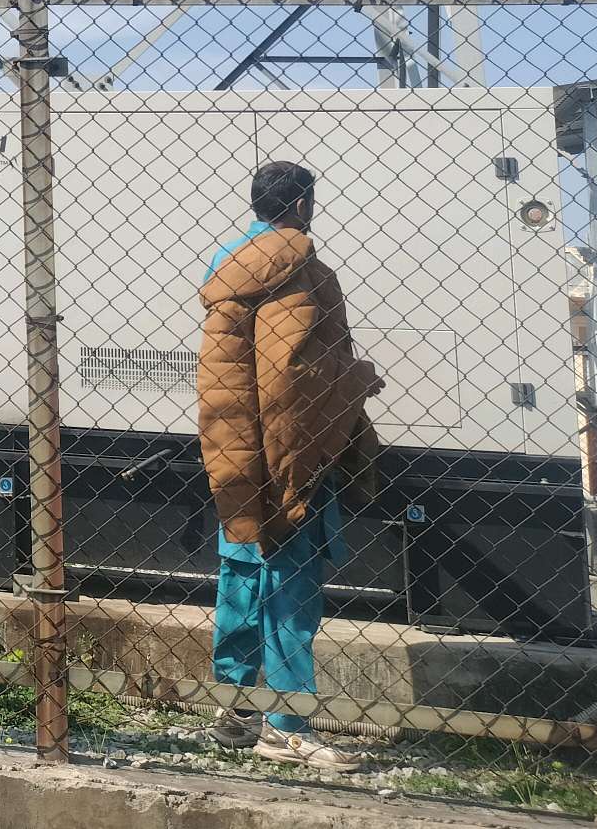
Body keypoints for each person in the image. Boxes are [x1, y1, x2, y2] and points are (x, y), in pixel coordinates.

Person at [195, 160, 381, 771]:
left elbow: (242, 376)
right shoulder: (303, 273)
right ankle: (287, 725)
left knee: (242, 574)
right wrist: (356, 381)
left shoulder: (228, 264)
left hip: (235, 447)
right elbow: (293, 377)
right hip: (292, 453)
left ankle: (236, 708)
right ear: (302, 205)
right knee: (291, 589)